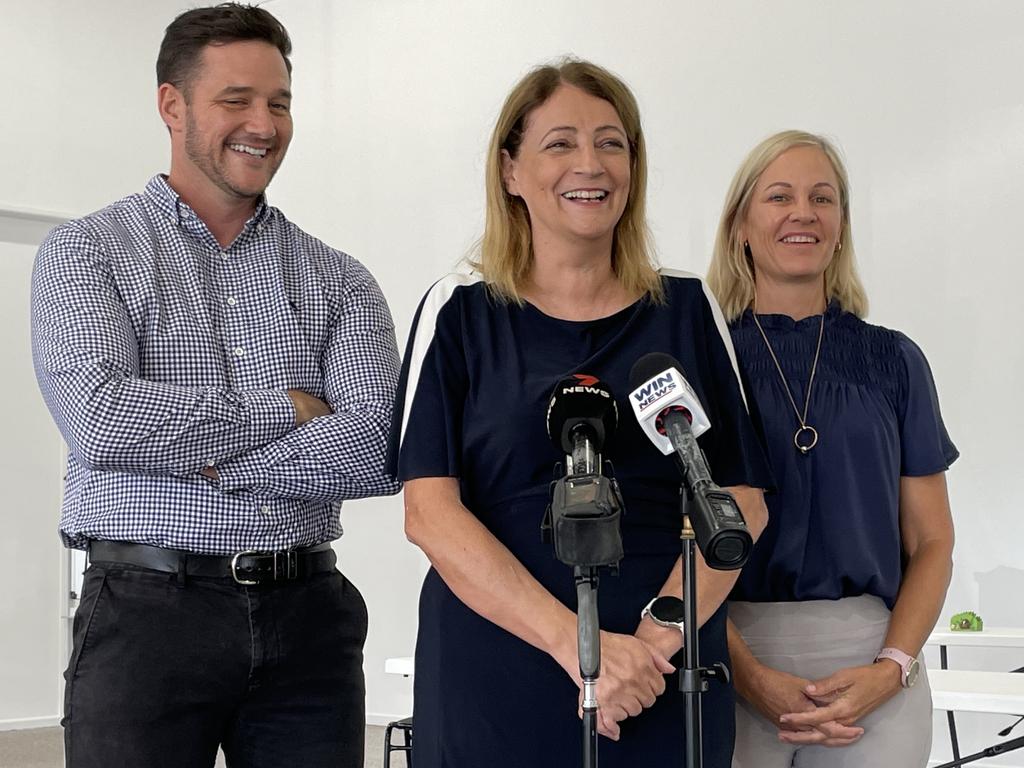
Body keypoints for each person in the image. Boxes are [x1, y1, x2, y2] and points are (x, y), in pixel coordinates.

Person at [30, 5, 400, 767]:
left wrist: (217, 462)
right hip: (144, 618)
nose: (263, 124)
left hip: (310, 623)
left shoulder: (340, 278)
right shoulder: (86, 252)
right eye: (236, 100)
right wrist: (290, 410)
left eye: (280, 102)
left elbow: (375, 445)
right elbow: (102, 418)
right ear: (172, 105)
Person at [388, 59, 772, 767]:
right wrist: (580, 646)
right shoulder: (459, 312)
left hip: (660, 682)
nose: (590, 163)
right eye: (560, 142)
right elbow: (429, 514)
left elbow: (742, 502)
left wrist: (651, 645)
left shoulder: (687, 310)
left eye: (612, 142)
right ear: (510, 170)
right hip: (499, 674)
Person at [706, 130, 958, 768]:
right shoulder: (705, 363)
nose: (803, 213)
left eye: (823, 198)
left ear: (841, 226)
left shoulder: (894, 361)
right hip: (729, 650)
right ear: (740, 223)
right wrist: (750, 675)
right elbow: (670, 537)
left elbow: (932, 540)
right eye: (779, 197)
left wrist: (892, 666)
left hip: (873, 657)